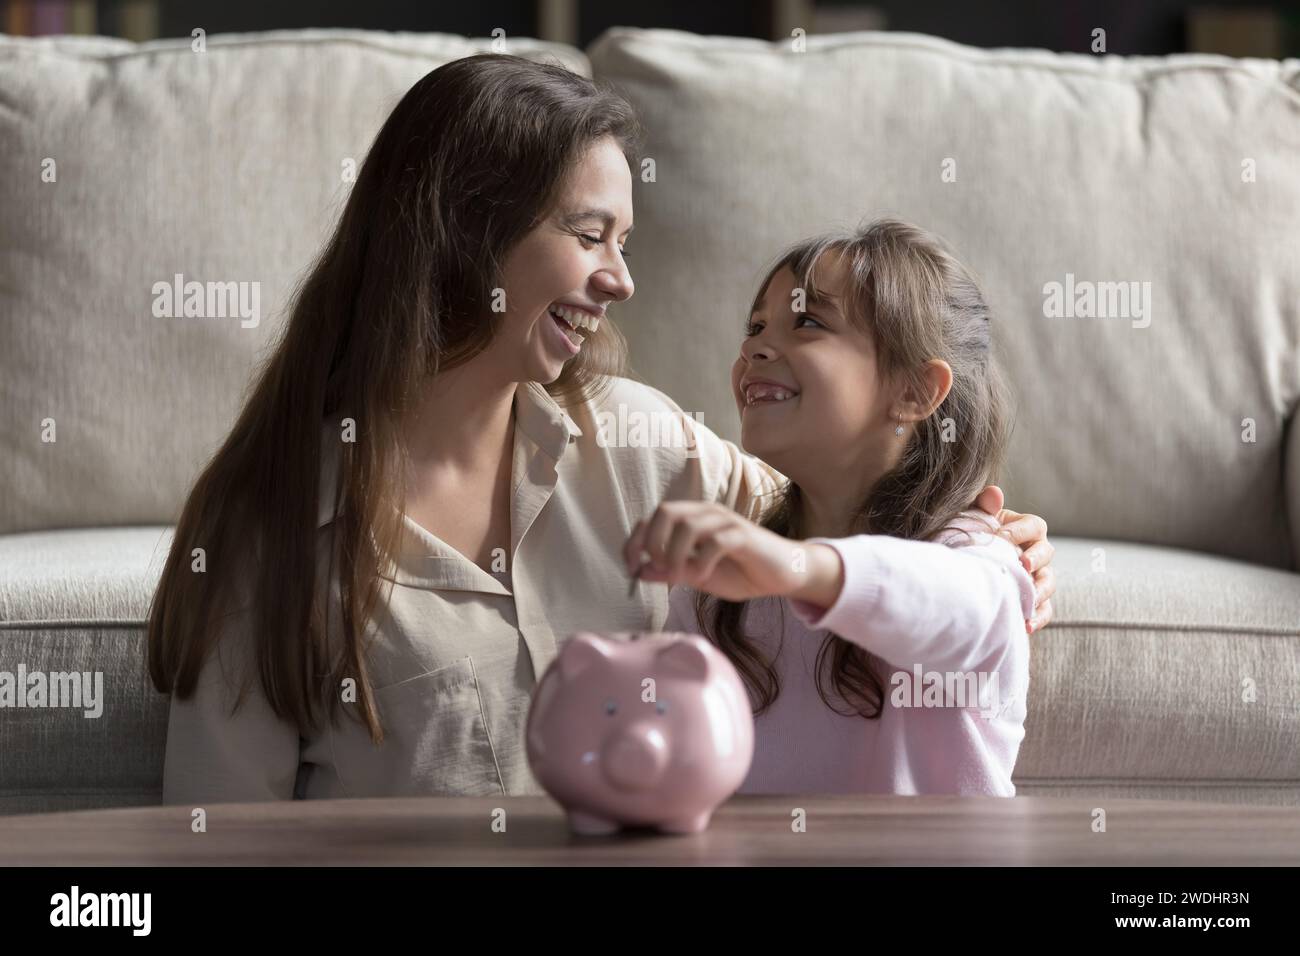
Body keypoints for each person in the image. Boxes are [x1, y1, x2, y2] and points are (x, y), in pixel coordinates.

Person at [148, 56, 1055, 803]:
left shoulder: (640, 442)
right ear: (466, 230)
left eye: (625, 243)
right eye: (592, 236)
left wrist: (981, 555)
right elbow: (219, 844)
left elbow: (842, 509)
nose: (622, 280)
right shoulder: (266, 537)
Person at [628, 220, 1041, 795]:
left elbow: (963, 610)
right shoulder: (713, 594)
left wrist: (796, 568)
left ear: (914, 392)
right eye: (755, 327)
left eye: (809, 322)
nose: (753, 347)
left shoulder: (973, 558)